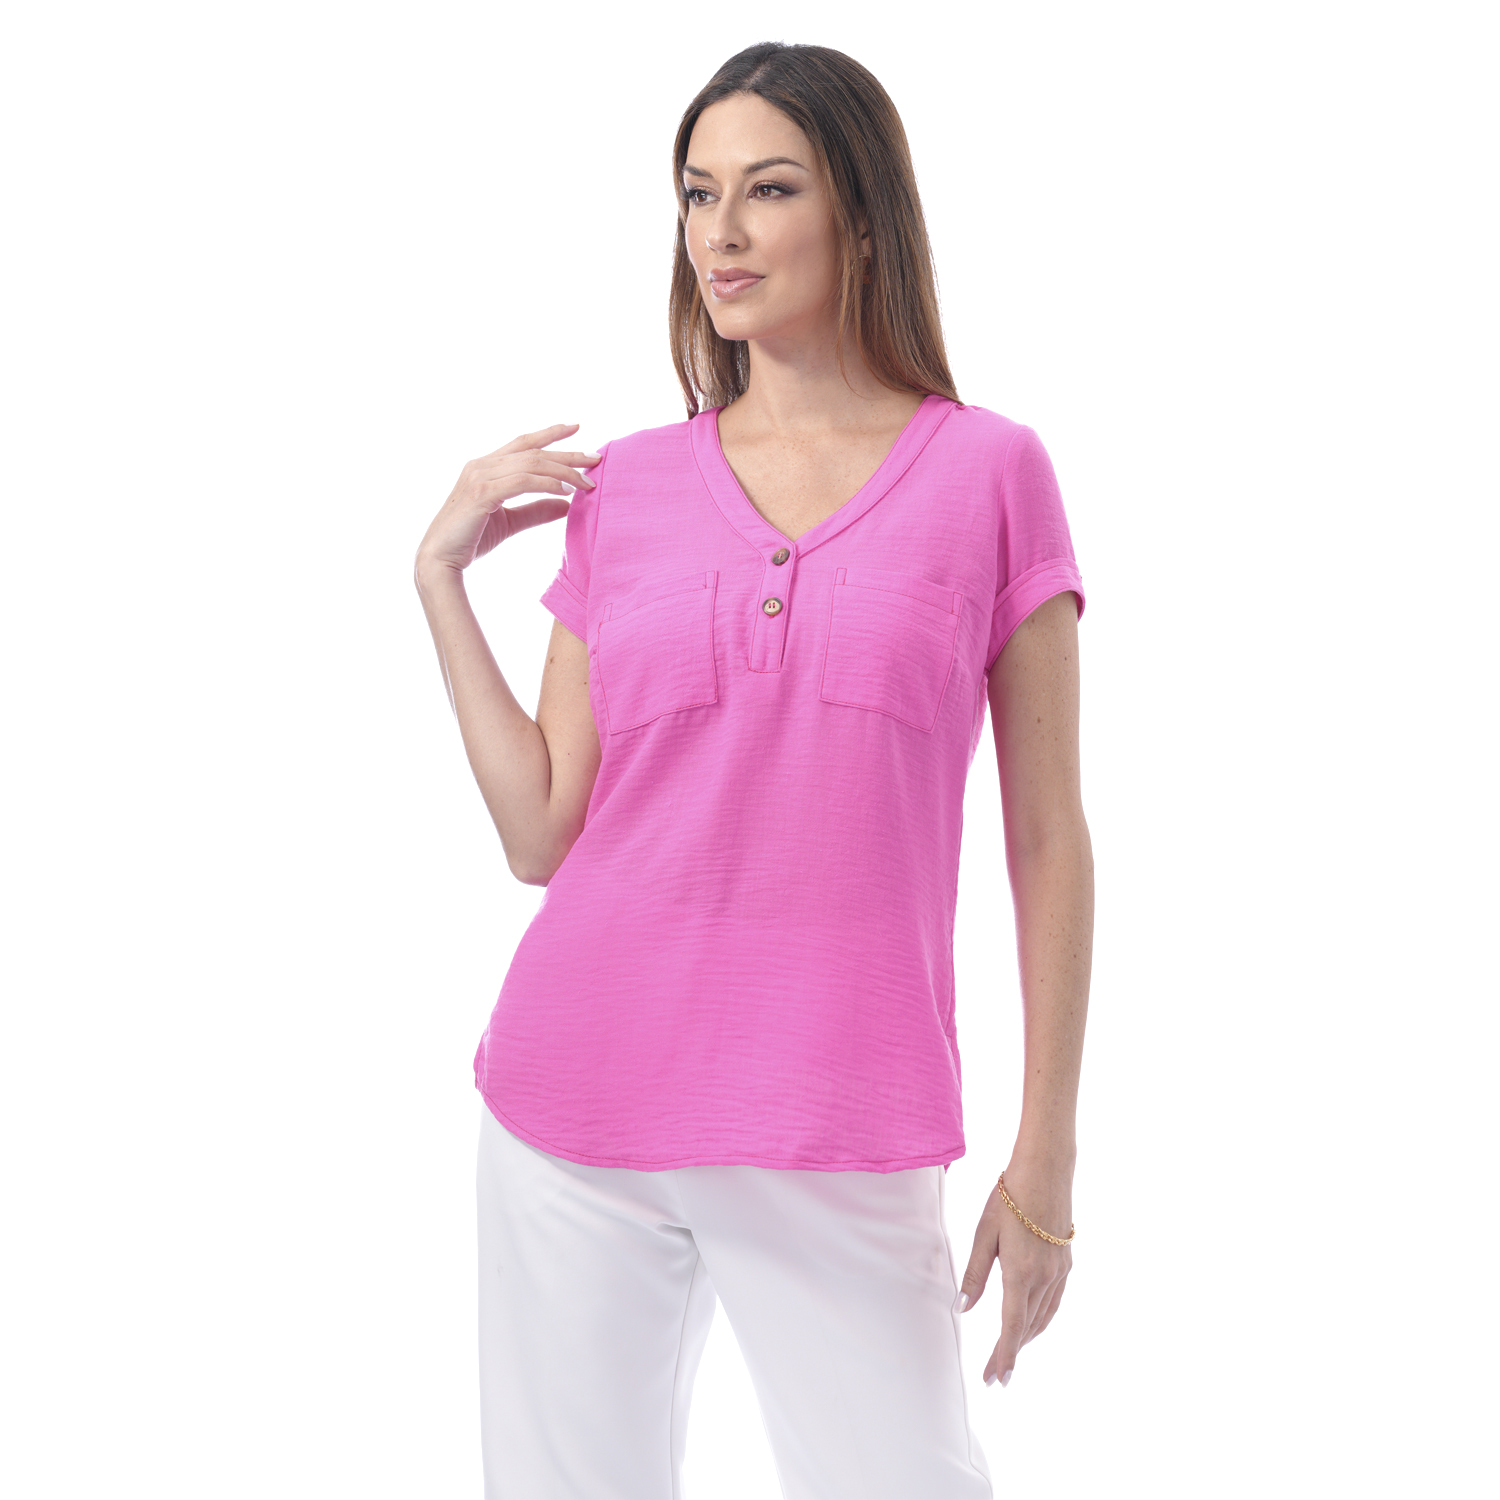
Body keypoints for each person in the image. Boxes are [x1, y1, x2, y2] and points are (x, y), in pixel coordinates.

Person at [413, 40, 1092, 1500]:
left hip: (839, 1114)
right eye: (697, 193)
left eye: (768, 190)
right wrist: (439, 584)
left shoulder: (991, 474)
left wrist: (1045, 1159)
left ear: (862, 214)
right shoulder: (628, 488)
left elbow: (1050, 837)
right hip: (571, 1104)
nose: (720, 232)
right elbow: (542, 831)